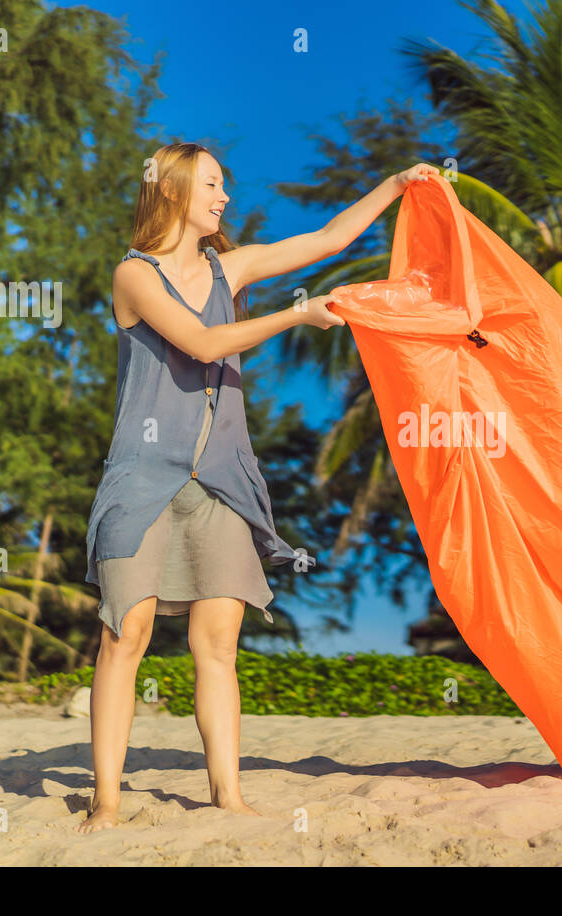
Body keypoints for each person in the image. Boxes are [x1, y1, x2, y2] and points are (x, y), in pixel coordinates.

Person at [79, 141, 438, 832]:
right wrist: (297, 316)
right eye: (212, 186)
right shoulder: (134, 275)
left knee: (216, 643)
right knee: (127, 633)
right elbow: (203, 345)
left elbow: (328, 237)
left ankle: (228, 796)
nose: (224, 199)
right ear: (175, 190)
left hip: (221, 481)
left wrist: (395, 183)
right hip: (140, 478)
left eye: (225, 187)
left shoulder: (229, 268)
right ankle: (107, 801)